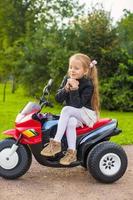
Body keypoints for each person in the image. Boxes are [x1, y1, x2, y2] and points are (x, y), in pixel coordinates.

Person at [41, 53, 100, 165]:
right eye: (70, 67)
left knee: (66, 110)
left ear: (86, 71)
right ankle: (72, 153)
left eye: (76, 68)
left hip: (86, 114)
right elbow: (58, 99)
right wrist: (66, 88)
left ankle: (56, 143)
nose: (72, 70)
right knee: (71, 122)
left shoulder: (88, 84)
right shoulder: (67, 79)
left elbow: (78, 105)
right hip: (75, 113)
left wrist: (75, 89)